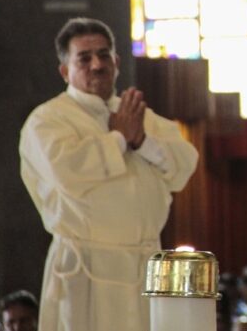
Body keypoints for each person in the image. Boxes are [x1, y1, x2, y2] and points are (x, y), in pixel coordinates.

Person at [19, 17, 199, 331]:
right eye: (84, 58)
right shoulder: (47, 120)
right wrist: (118, 139)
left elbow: (184, 165)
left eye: (104, 55)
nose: (96, 65)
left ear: (116, 62)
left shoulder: (137, 115)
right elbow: (68, 172)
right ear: (65, 70)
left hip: (144, 264)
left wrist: (140, 140)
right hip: (86, 270)